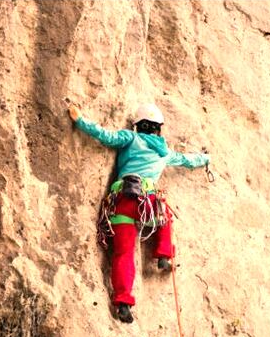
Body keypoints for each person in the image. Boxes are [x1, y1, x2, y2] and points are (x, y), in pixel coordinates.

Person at [68, 103, 210, 323]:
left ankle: (123, 303)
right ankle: (163, 255)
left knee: (123, 253)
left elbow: (104, 136)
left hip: (123, 200)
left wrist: (80, 120)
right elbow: (187, 160)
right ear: (158, 129)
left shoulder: (130, 138)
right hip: (148, 202)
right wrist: (205, 159)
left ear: (138, 126)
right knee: (164, 218)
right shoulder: (164, 152)